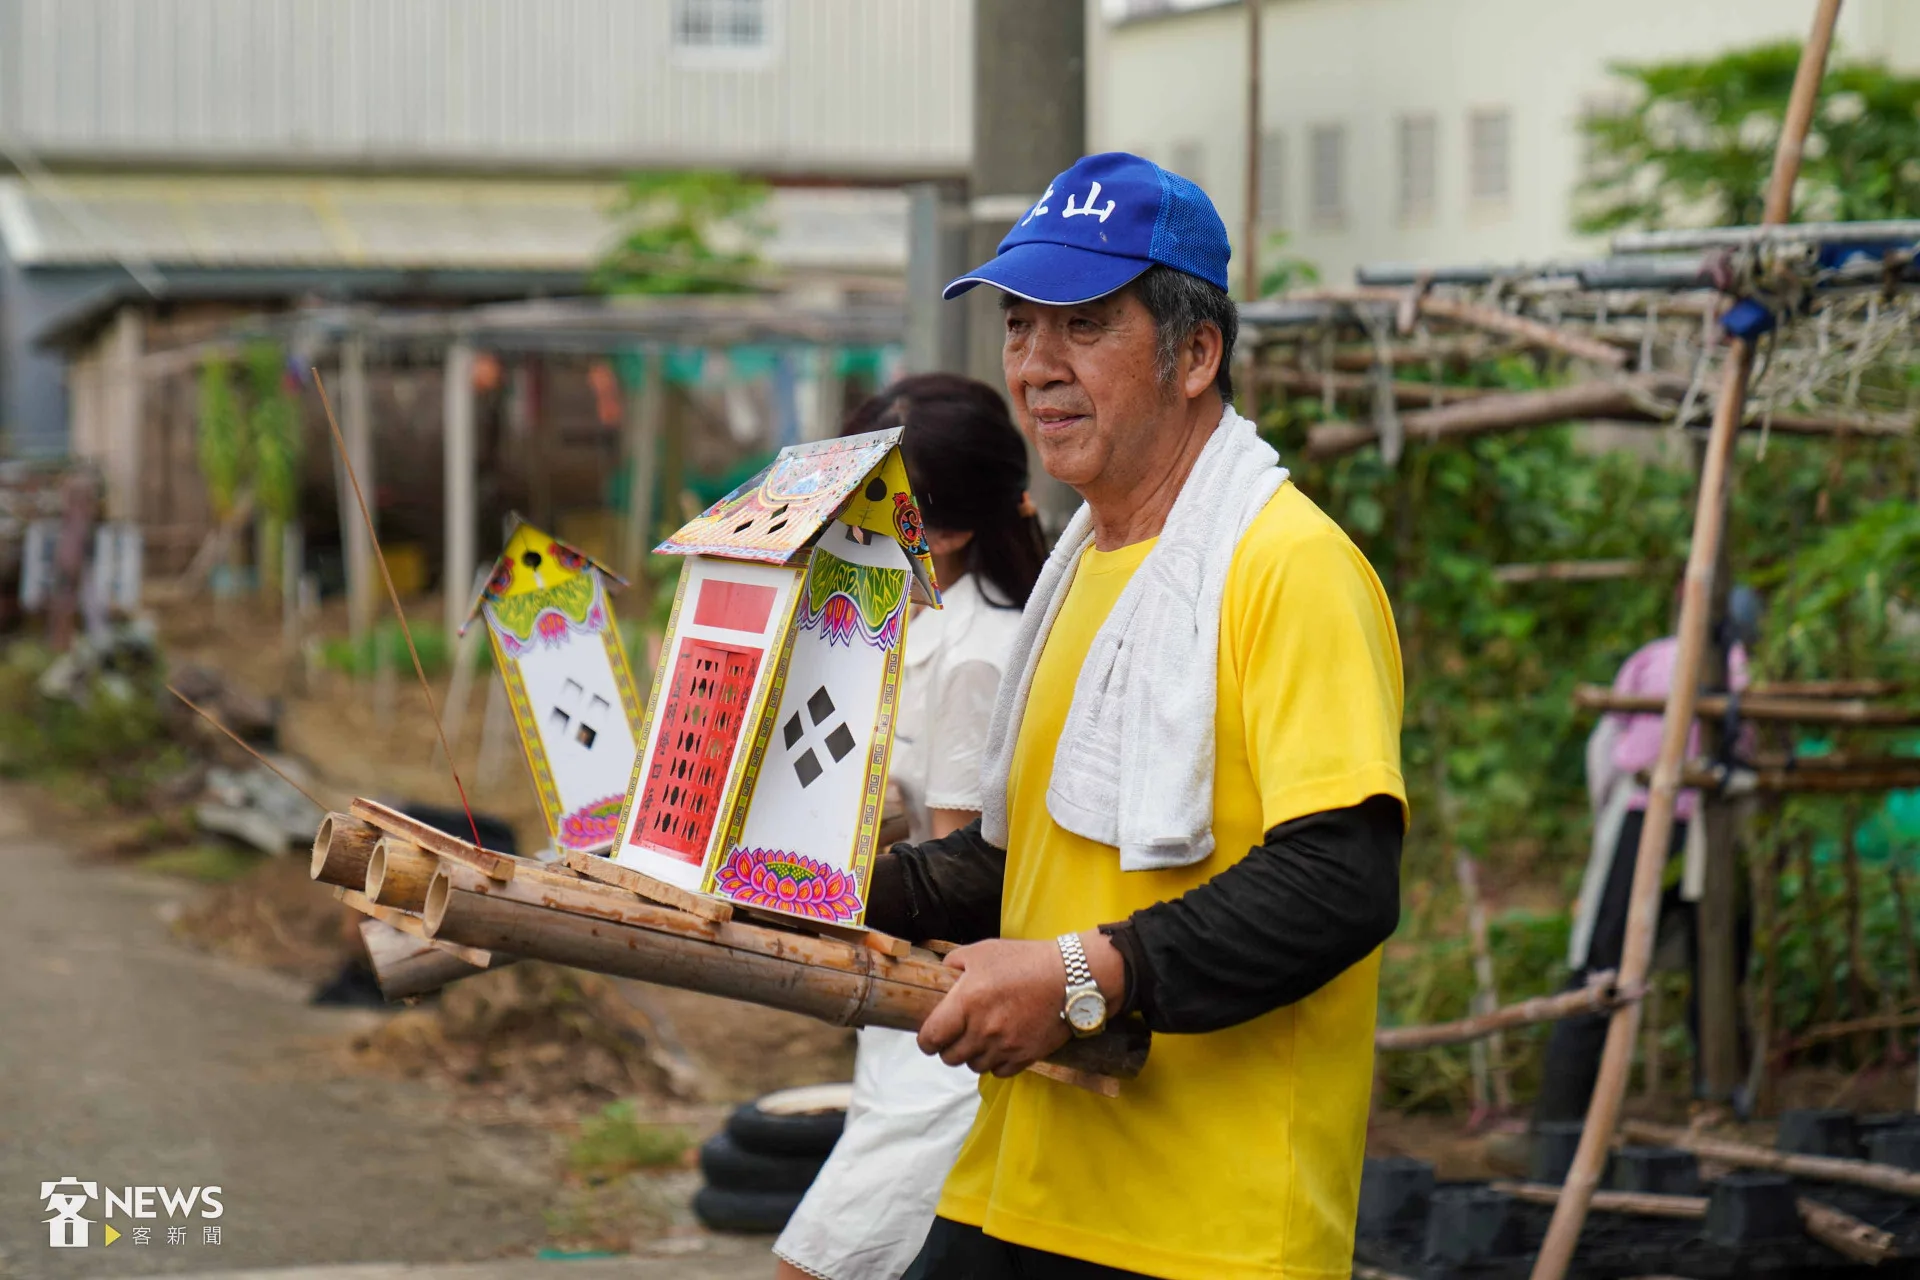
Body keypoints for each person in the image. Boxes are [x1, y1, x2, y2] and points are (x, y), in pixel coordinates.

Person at [862, 152, 1407, 1280]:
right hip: (1024, 1179)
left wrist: (1078, 977)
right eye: (1020, 326)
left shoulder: (1288, 567)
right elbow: (1023, 864)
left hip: (1204, 1229)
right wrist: (821, 884)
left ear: (1196, 354)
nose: (1037, 366)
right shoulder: (1083, 572)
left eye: (1084, 325)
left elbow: (1339, 880)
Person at [773, 374, 1048, 1280]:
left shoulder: (979, 655)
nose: (846, 521)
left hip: (944, 1022)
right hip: (901, 1025)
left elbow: (959, 884)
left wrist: (805, 886)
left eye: (874, 503)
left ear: (950, 531)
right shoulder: (907, 619)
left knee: (821, 1265)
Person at [1535, 606, 1753, 1126]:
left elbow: (1605, 751)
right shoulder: (1737, 667)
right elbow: (1747, 755)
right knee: (1717, 966)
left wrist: (1606, 816)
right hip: (1700, 822)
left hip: (1650, 818)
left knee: (1602, 967)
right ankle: (1719, 1099)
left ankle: (1557, 1125)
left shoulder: (1656, 657)